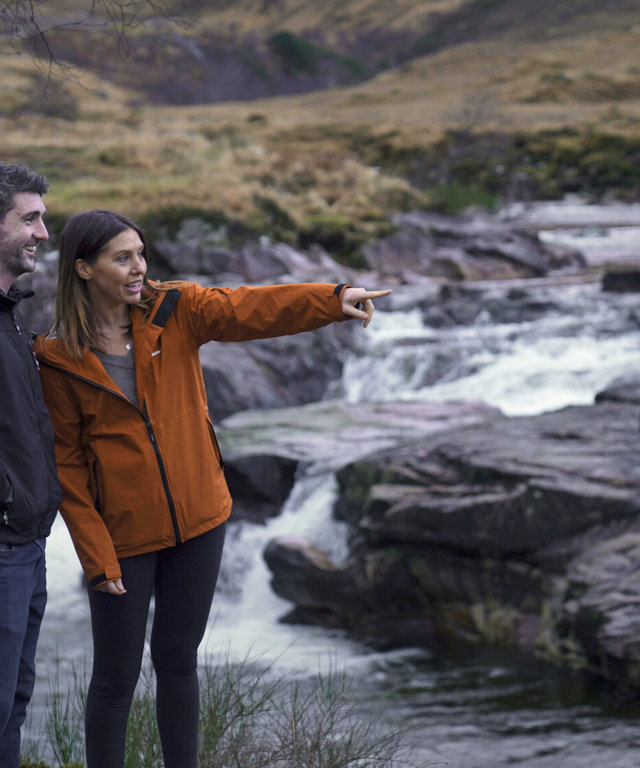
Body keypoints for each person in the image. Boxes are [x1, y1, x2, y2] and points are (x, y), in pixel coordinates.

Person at [35, 208, 391, 768]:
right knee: (115, 677)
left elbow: (250, 308)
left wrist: (331, 299)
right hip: (124, 538)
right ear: (83, 268)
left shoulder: (175, 310)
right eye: (121, 258)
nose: (138, 268)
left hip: (201, 522)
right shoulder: (57, 358)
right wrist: (98, 561)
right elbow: (70, 469)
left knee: (178, 660)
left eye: (141, 254)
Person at [0, 162, 62, 768]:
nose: (43, 232)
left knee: (14, 702)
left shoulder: (12, 311)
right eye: (30, 218)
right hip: (4, 543)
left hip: (28, 542)